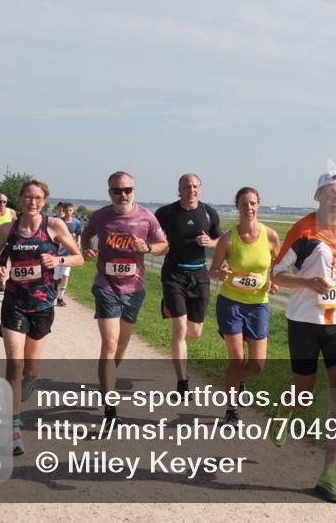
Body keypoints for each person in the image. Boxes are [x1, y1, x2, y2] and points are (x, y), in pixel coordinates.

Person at [270, 172, 336, 503]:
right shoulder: (302, 232)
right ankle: (285, 411)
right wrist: (307, 283)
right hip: (304, 321)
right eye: (331, 193)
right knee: (303, 393)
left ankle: (329, 474)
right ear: (317, 196)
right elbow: (277, 274)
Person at [0, 179, 83, 456]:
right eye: (28, 197)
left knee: (30, 367)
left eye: (38, 197)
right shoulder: (8, 228)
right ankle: (13, 431)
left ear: (45, 201)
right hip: (14, 302)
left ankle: (29, 380)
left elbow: (78, 257)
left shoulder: (53, 226)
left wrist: (59, 261)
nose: (33, 201)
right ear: (20, 198)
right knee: (15, 364)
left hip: (42, 304)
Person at [81, 171, 166, 420]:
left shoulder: (146, 217)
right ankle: (110, 407)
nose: (123, 195)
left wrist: (148, 247)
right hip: (106, 286)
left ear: (133, 191)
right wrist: (87, 249)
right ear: (109, 193)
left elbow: (163, 245)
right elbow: (86, 235)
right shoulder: (100, 216)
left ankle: (107, 378)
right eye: (117, 191)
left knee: (120, 345)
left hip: (134, 290)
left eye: (127, 190)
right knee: (109, 344)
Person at [209, 187, 280, 426]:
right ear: (237, 207)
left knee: (258, 365)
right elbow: (212, 271)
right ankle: (231, 410)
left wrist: (273, 281)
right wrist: (220, 274)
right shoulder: (228, 239)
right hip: (231, 303)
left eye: (252, 203)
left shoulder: (271, 236)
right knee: (237, 359)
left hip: (258, 305)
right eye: (243, 203)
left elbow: (278, 267)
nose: (248, 207)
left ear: (258, 205)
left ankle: (237, 381)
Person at [154, 173, 221, 395]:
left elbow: (221, 242)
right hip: (173, 273)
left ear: (199, 188)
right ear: (179, 189)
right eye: (186, 186)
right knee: (180, 329)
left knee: (194, 332)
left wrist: (210, 242)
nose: (191, 190)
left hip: (199, 275)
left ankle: (171, 310)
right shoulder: (166, 213)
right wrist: (161, 244)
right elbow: (154, 239)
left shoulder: (209, 213)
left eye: (194, 186)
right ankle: (182, 383)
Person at [54, 203, 82, 306]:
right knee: (56, 276)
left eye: (70, 210)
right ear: (64, 211)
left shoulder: (76, 222)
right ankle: (54, 287)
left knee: (65, 274)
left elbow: (78, 234)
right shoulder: (59, 221)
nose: (68, 212)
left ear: (73, 211)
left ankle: (60, 297)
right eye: (66, 211)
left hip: (69, 253)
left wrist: (78, 242)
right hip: (58, 252)